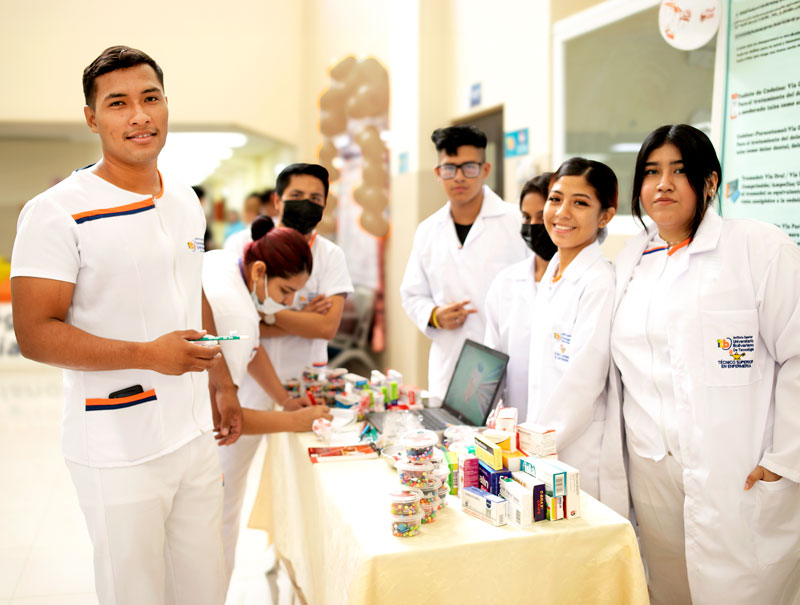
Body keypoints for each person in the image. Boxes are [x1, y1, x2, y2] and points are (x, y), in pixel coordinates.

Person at [9, 45, 239, 604]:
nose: (139, 116)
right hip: (116, 442)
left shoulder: (184, 199)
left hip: (192, 434)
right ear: (92, 118)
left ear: (165, 106)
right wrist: (147, 354)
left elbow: (190, 290)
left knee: (204, 587)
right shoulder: (56, 211)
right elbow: (35, 333)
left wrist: (223, 381)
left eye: (150, 98)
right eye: (118, 104)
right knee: (133, 593)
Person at [609, 124, 800, 605]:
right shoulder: (633, 259)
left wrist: (785, 459)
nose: (663, 185)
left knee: (742, 589)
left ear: (710, 182)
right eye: (651, 172)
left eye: (679, 171)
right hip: (652, 467)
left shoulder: (760, 248)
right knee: (670, 588)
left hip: (736, 467)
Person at [219, 162, 353, 574]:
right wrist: (292, 313)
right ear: (277, 200)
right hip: (242, 380)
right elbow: (239, 329)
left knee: (304, 482)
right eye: (297, 196)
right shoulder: (242, 247)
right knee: (225, 484)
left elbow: (327, 325)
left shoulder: (329, 255)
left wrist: (268, 314)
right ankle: (211, 570)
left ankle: (296, 560)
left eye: (316, 199)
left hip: (304, 381)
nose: (306, 205)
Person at [203, 215, 332, 580]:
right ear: (260, 271)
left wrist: (286, 400)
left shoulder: (231, 262)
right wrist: (295, 421)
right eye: (285, 292)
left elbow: (254, 350)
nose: (288, 303)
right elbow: (221, 417)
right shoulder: (236, 313)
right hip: (200, 445)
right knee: (215, 530)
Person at [525, 158, 626, 516]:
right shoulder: (555, 269)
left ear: (605, 216)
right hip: (544, 444)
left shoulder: (598, 281)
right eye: (555, 199)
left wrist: (534, 444)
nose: (562, 212)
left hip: (579, 450)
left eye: (580, 203)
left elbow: (584, 380)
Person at [400, 125, 529, 399]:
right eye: (449, 168)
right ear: (438, 173)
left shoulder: (516, 222)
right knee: (450, 435)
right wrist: (434, 315)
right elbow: (411, 294)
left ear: (485, 169)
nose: (459, 177)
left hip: (508, 360)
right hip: (451, 359)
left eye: (469, 167)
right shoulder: (427, 230)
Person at [483, 172, 555, 411]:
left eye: (541, 216)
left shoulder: (585, 283)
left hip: (566, 429)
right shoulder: (506, 282)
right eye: (526, 217)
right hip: (514, 419)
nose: (533, 226)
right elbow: (492, 361)